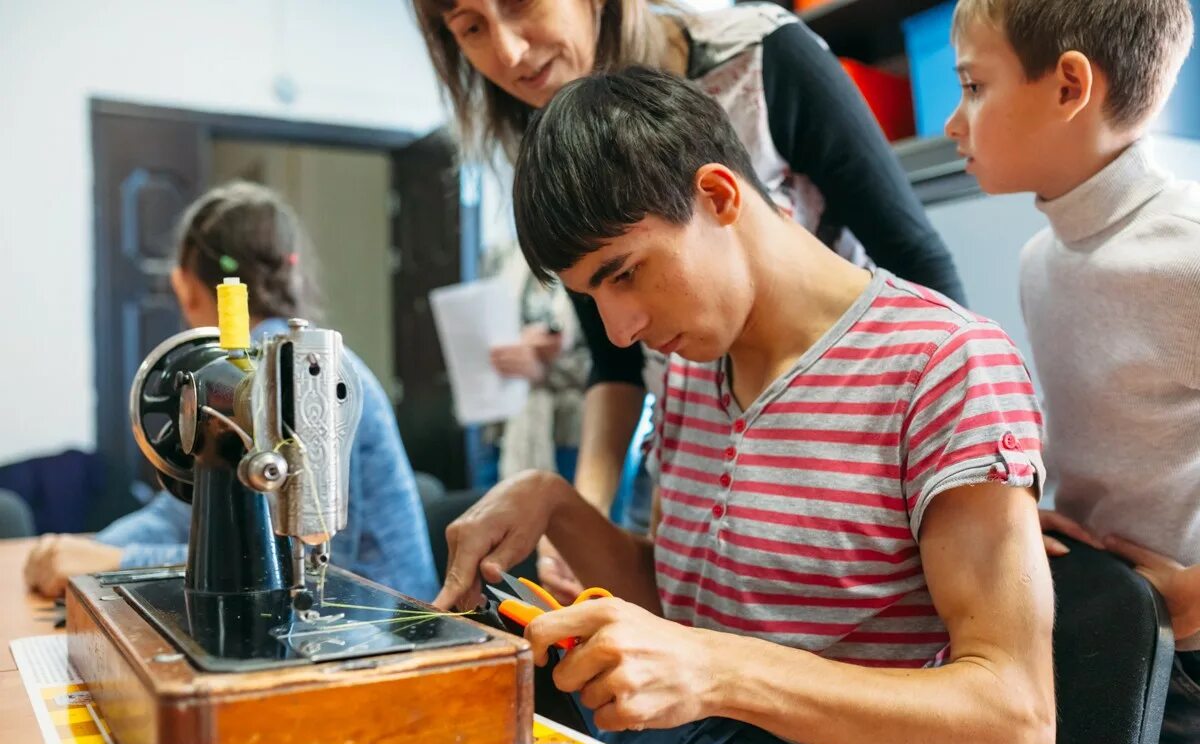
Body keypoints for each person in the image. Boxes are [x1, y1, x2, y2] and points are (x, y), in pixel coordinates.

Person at [436, 67, 1056, 744]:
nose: (620, 327)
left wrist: (719, 670)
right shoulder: (695, 370)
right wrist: (557, 505)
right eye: (592, 297)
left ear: (720, 195)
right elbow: (683, 608)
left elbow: (1012, 732)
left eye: (626, 273)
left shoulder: (945, 365)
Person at [412, 0, 968, 600]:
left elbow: (916, 258)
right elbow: (616, 361)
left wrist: (965, 477)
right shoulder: (685, 382)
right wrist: (579, 512)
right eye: (470, 29)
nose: (510, 52)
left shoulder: (759, 59)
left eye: (521, 4)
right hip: (692, 442)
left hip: (845, 440)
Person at [945, 1, 1198, 744]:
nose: (955, 122)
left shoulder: (1186, 253)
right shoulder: (1039, 260)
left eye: (975, 87)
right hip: (1108, 620)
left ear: (1069, 87)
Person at [24, 182, 440, 602]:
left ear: (183, 286)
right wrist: (92, 550)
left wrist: (114, 561)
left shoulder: (301, 375)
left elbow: (306, 556)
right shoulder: (233, 378)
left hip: (385, 619)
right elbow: (181, 510)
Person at [485, 241, 591, 484]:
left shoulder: (588, 255)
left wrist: (545, 368)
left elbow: (614, 365)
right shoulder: (501, 257)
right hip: (506, 425)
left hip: (574, 431)